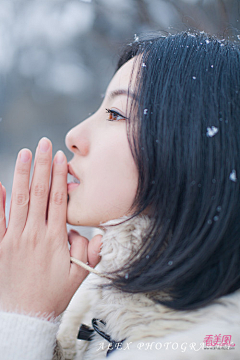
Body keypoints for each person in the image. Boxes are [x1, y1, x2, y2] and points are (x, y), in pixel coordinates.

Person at [0, 31, 239, 360]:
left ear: (193, 146)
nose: (73, 136)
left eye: (115, 114)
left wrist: (25, 320)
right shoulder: (85, 308)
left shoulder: (213, 347)